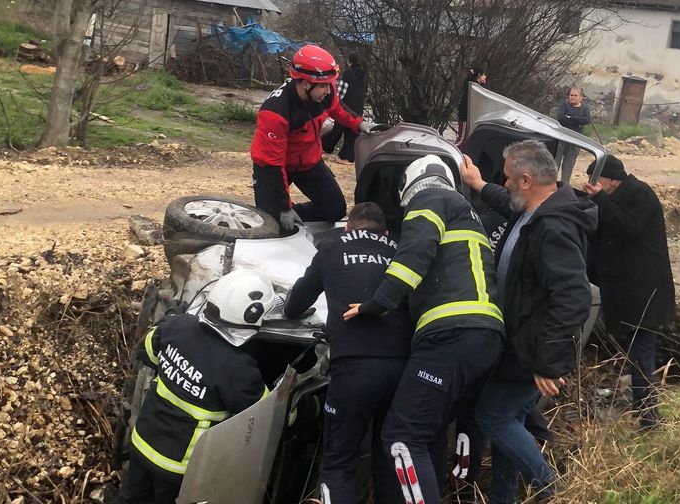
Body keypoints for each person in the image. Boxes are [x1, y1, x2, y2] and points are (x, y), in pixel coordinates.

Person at [344, 155, 504, 504]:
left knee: (401, 435)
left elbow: (414, 255)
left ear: (409, 185)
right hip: (485, 336)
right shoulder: (467, 211)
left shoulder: (428, 201)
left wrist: (376, 304)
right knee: (429, 431)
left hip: (450, 335)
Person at [460, 140, 597, 503]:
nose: (503, 185)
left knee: (493, 417)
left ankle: (556, 491)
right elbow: (509, 204)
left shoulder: (553, 228)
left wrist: (547, 363)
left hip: (531, 351)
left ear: (525, 180)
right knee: (511, 421)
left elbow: (574, 296)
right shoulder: (535, 210)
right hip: (523, 343)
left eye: (506, 179)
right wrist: (477, 185)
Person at [284, 202, 411, 504]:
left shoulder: (331, 249)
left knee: (339, 461)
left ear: (348, 226)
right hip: (401, 367)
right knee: (389, 454)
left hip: (352, 367)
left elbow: (295, 304)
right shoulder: (401, 251)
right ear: (386, 230)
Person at [114, 269, 274, 504]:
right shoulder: (239, 370)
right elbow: (266, 414)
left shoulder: (178, 325)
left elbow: (147, 351)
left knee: (129, 499)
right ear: (252, 315)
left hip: (142, 441)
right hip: (176, 468)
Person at [582, 155, 675, 430]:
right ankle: (643, 409)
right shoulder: (614, 197)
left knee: (642, 353)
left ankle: (648, 418)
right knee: (638, 353)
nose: (592, 185)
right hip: (627, 292)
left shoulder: (640, 194)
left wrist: (599, 201)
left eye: (595, 179)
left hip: (644, 294)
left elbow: (627, 227)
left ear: (611, 179)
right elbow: (600, 238)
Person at [250, 45, 385, 231]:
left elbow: (338, 108)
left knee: (334, 209)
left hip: (308, 161)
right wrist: (283, 208)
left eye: (329, 84)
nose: (329, 90)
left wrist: (360, 124)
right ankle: (274, 217)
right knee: (270, 222)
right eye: (323, 85)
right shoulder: (275, 113)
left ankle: (293, 218)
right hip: (272, 166)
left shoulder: (324, 92)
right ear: (305, 83)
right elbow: (273, 164)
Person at [321, 52, 369, 164]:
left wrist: (335, 100)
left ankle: (325, 149)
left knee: (337, 130)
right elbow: (366, 92)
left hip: (346, 106)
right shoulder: (364, 75)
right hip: (358, 107)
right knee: (352, 133)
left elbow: (341, 91)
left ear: (350, 61)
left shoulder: (348, 73)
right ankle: (346, 157)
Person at [556, 87, 592, 185]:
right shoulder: (564, 105)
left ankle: (563, 187)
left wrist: (571, 117)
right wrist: (577, 122)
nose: (572, 97)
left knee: (568, 166)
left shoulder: (585, 108)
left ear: (581, 97)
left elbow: (587, 120)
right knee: (555, 164)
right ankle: (551, 186)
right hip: (560, 139)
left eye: (575, 95)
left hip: (575, 141)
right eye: (571, 95)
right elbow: (561, 118)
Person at [455, 67, 487, 151]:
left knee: (462, 139)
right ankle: (451, 152)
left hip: (467, 116)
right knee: (462, 140)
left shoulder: (473, 86)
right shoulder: (473, 87)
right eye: (483, 74)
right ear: (479, 75)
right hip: (465, 116)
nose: (485, 77)